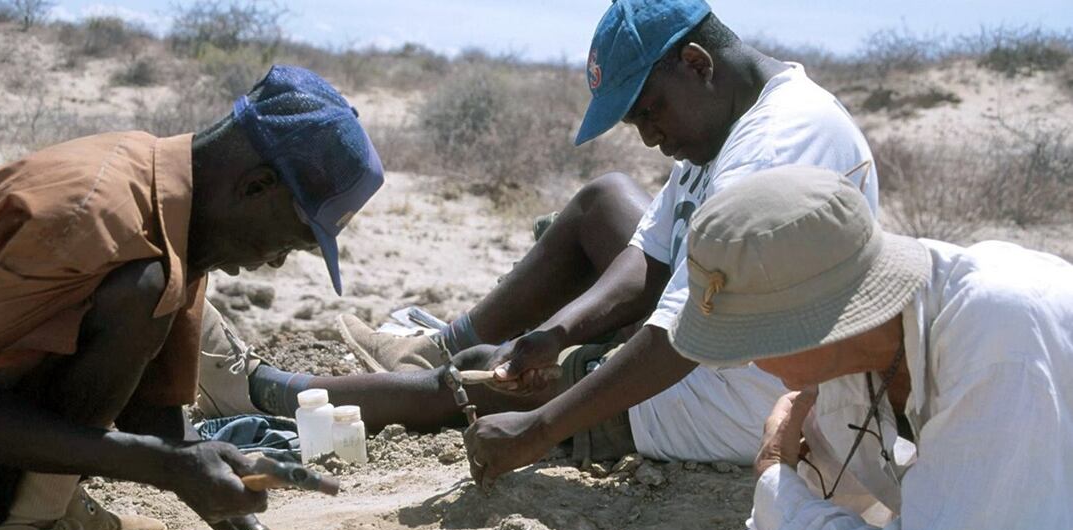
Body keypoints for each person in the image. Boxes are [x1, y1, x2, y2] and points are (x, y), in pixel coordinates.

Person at [200, 0, 879, 481]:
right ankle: (420, 353)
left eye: (650, 111)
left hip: (740, 404)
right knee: (585, 236)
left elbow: (681, 338)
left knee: (472, 383)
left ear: (697, 64)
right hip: (717, 350)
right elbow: (651, 257)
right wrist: (556, 334)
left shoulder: (775, 148)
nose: (650, 137)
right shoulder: (733, 120)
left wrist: (541, 428)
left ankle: (265, 391)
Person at [547, 165, 1073, 530]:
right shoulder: (857, 350)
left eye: (749, 339)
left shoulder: (996, 336)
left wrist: (774, 476)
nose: (748, 362)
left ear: (818, 320)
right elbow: (788, 521)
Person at [0, 65, 383, 530]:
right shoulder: (96, 218)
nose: (275, 262)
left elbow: (154, 413)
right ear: (256, 186)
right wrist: (164, 465)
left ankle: (47, 498)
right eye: (290, 241)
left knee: (144, 290)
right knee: (141, 287)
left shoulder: (174, 219)